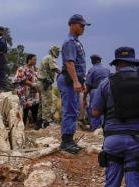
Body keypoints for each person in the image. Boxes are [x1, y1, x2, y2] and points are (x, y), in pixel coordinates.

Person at [91, 46, 139, 187]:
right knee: (134, 181)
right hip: (138, 141)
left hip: (113, 141)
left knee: (112, 181)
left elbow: (96, 112)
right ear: (134, 64)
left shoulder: (106, 83)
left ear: (117, 64)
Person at [57, 14, 90, 154]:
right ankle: (66, 142)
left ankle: (70, 140)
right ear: (72, 25)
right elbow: (70, 63)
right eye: (81, 25)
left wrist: (80, 82)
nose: (83, 28)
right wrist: (76, 81)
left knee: (74, 110)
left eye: (84, 26)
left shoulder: (75, 41)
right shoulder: (70, 42)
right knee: (70, 110)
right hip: (69, 80)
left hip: (73, 81)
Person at [82, 55, 110, 131]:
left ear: (92, 61)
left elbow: (87, 86)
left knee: (94, 110)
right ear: (100, 60)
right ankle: (104, 128)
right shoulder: (107, 69)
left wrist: (84, 98)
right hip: (107, 91)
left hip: (96, 91)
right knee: (105, 110)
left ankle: (95, 128)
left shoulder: (92, 70)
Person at [14, 54, 40, 128]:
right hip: (24, 92)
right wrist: (33, 84)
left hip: (33, 92)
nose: (35, 61)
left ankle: (34, 124)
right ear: (29, 60)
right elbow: (23, 79)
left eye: (36, 60)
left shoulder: (33, 69)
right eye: (34, 59)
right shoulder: (21, 69)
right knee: (25, 107)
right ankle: (23, 125)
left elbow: (37, 77)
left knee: (35, 105)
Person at [37, 45, 60, 128]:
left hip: (40, 82)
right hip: (44, 82)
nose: (58, 53)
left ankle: (38, 122)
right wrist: (62, 74)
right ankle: (46, 122)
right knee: (47, 102)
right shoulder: (50, 58)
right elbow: (55, 69)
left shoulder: (46, 57)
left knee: (42, 103)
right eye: (57, 51)